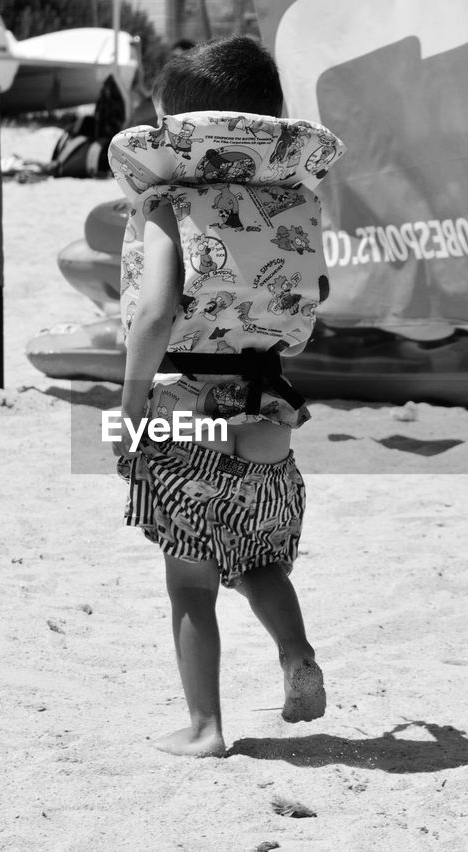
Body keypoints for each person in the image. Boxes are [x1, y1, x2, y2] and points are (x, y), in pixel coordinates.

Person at [107, 36, 346, 757]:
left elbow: (153, 315)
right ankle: (295, 649)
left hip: (187, 414)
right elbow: (307, 309)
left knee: (191, 582)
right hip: (269, 406)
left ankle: (205, 726)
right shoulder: (294, 206)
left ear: (170, 125)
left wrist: (129, 403)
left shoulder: (166, 203)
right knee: (257, 558)